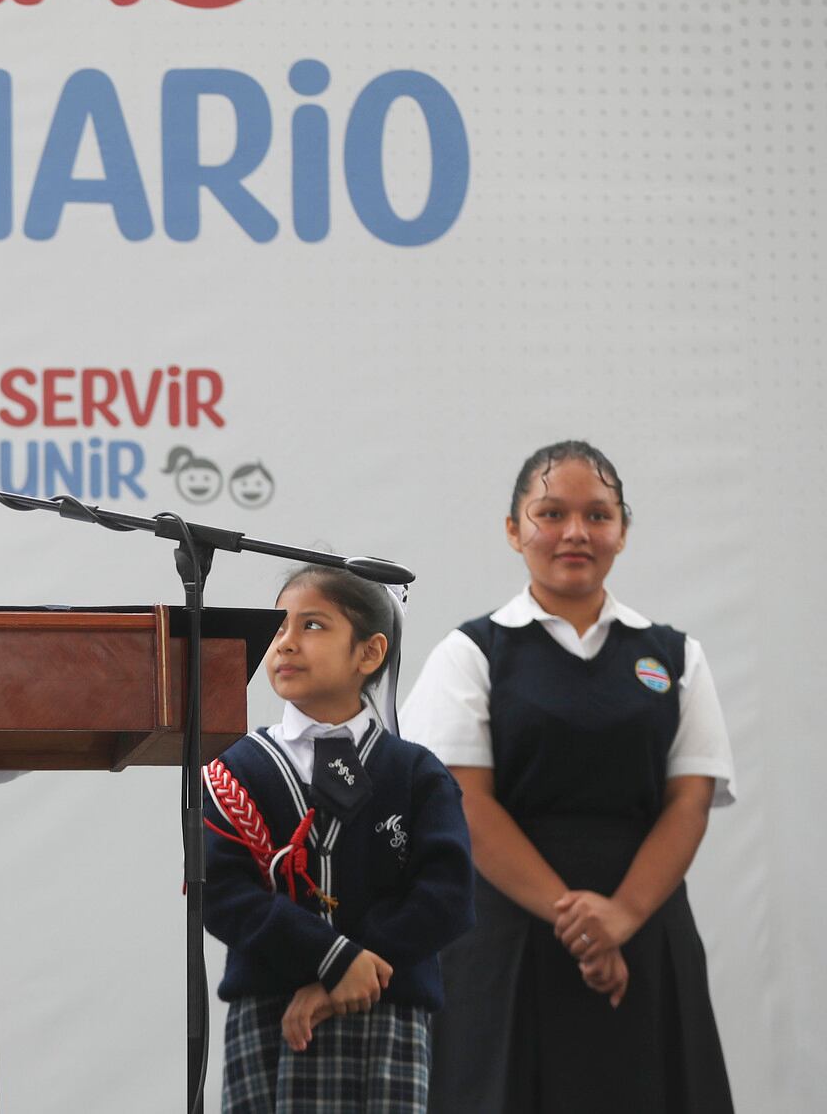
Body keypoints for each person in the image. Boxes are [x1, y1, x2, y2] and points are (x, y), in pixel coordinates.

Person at [402, 441, 735, 1112]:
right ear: (513, 529)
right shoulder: (472, 652)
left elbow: (690, 801)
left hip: (645, 930)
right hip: (505, 938)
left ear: (623, 530)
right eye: (551, 513)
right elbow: (464, 801)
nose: (576, 532)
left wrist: (622, 916)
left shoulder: (675, 655)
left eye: (598, 515)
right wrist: (582, 922)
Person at [204, 566, 475, 1112]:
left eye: (312, 625)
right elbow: (223, 894)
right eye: (279, 627)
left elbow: (446, 898)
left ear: (369, 653)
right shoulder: (237, 770)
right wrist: (332, 958)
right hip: (272, 1015)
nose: (286, 643)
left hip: (387, 1011)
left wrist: (357, 969)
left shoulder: (415, 773)